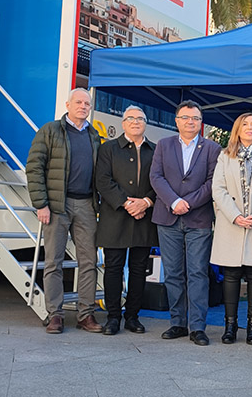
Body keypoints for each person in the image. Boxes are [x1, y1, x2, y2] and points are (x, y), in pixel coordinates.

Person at [26, 88, 102, 334]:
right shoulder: (50, 131)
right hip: (57, 205)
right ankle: (55, 314)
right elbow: (34, 167)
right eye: (78, 102)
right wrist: (41, 204)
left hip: (86, 206)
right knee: (54, 261)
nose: (83, 106)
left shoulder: (93, 135)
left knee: (89, 261)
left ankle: (86, 314)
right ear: (68, 104)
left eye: (87, 103)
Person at [149, 100, 222, 346]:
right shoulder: (163, 145)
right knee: (173, 273)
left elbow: (213, 182)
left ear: (201, 123)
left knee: (198, 273)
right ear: (177, 120)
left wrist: (187, 202)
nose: (191, 122)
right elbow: (155, 176)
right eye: (186, 117)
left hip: (198, 217)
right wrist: (173, 201)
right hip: (167, 217)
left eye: (195, 118)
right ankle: (177, 323)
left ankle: (198, 327)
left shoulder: (212, 148)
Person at [209, 113, 252, 345]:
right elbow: (218, 189)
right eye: (245, 124)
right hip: (232, 224)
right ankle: (230, 326)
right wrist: (235, 215)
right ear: (237, 129)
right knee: (230, 275)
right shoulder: (224, 156)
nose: (250, 128)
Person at [94, 106, 157, 335]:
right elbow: (102, 180)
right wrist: (127, 203)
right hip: (115, 216)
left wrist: (146, 203)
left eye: (140, 118)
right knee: (113, 268)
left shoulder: (155, 151)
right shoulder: (108, 148)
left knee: (139, 269)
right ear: (123, 123)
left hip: (145, 218)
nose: (135, 122)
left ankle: (132, 317)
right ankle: (113, 317)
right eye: (130, 118)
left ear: (145, 123)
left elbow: (159, 182)